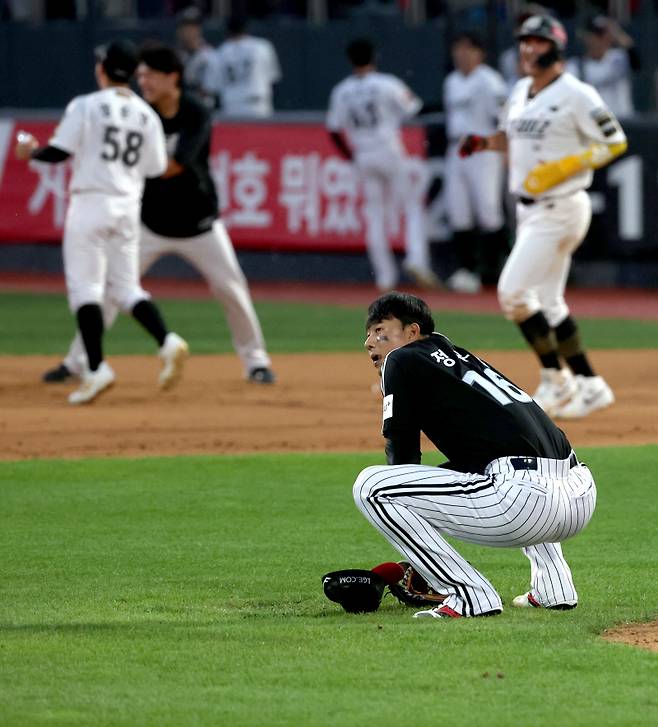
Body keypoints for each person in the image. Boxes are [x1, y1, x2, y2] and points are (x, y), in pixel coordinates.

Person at [42, 44, 275, 388]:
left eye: (150, 75)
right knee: (111, 292)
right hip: (149, 224)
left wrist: (114, 166)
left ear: (172, 77)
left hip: (199, 224)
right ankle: (77, 362)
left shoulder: (195, 112)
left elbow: (174, 165)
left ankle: (256, 362)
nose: (144, 81)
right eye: (140, 75)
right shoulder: (140, 113)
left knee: (232, 290)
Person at [354, 291, 597, 618]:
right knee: (500, 466)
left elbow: (402, 449)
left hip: (527, 502)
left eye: (380, 329)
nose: (370, 341)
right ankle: (554, 589)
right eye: (368, 333)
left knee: (372, 487)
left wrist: (418, 549)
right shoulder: (461, 360)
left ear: (412, 332)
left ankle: (468, 595)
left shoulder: (401, 359)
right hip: (580, 493)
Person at [458, 15, 627, 419]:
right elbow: (512, 137)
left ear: (556, 47)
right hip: (531, 210)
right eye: (524, 42)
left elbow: (615, 139)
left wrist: (568, 164)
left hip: (563, 205)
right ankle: (590, 384)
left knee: (513, 294)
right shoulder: (520, 90)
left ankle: (556, 378)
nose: (528, 48)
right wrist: (484, 143)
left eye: (537, 41)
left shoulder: (576, 93)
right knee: (549, 302)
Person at [16, 40, 189, 405]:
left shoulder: (86, 105)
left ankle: (96, 370)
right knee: (127, 288)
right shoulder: (147, 115)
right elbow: (156, 168)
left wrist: (30, 151)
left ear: (102, 70)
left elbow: (59, 151)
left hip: (91, 203)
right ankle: (167, 340)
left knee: (86, 290)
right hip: (128, 207)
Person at [326, 38, 438, 292]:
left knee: (375, 216)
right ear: (373, 57)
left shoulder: (341, 90)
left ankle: (384, 278)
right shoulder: (387, 83)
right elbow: (416, 109)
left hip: (362, 154)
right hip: (387, 149)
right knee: (410, 206)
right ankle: (416, 259)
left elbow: (333, 131)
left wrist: (352, 156)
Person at [443, 32, 508, 293]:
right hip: (455, 148)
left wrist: (504, 152)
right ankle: (466, 271)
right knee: (458, 211)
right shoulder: (452, 81)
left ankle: (495, 272)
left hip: (482, 149)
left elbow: (504, 119)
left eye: (467, 49)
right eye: (458, 49)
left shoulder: (490, 81)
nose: (461, 54)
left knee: (488, 211)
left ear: (480, 53)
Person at [202, 14, 281, 117]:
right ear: (246, 28)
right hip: (258, 105)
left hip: (232, 108)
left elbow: (210, 88)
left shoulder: (219, 53)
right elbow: (273, 78)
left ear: (227, 30)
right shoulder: (262, 46)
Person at [565, 14, 639, 118]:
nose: (601, 39)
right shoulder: (574, 66)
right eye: (597, 35)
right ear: (586, 37)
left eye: (605, 34)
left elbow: (637, 63)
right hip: (594, 124)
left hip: (624, 121)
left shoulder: (619, 58)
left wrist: (617, 33)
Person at [175, 5, 217, 108]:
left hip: (206, 109)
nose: (188, 31)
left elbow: (210, 90)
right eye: (185, 27)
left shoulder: (210, 55)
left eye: (192, 27)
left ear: (199, 29)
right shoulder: (177, 56)